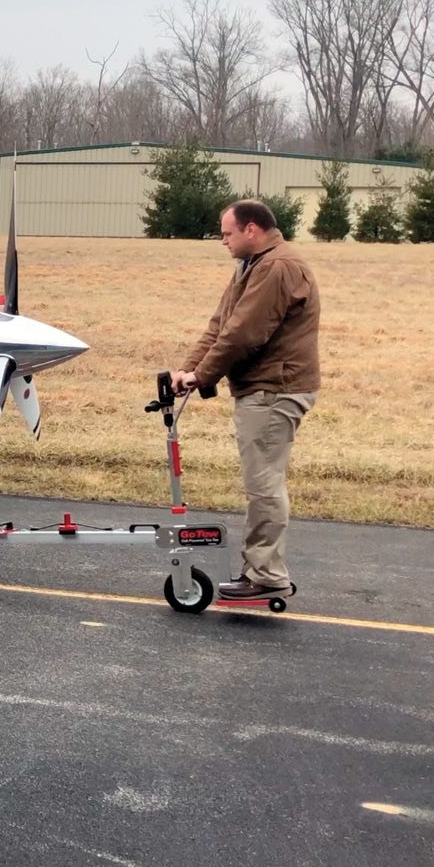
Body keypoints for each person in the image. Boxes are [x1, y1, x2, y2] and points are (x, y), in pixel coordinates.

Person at [170, 199, 320, 599]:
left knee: (264, 484)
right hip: (262, 388)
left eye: (227, 233)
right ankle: (261, 571)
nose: (223, 241)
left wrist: (202, 375)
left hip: (274, 390)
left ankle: (267, 576)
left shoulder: (277, 267)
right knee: (262, 481)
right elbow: (220, 325)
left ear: (251, 229)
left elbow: (243, 333)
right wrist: (188, 370)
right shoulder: (252, 265)